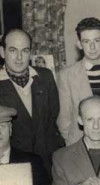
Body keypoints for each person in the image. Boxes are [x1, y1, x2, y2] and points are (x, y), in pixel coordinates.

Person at [0, 28, 64, 174]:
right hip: (14, 168)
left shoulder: (46, 77)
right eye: (13, 50)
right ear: (2, 52)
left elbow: (53, 119)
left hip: (49, 165)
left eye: (25, 51)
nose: (19, 57)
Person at [57, 17, 100, 146]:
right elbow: (64, 120)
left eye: (96, 40)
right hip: (78, 144)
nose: (92, 47)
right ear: (79, 44)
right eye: (86, 41)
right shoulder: (66, 75)